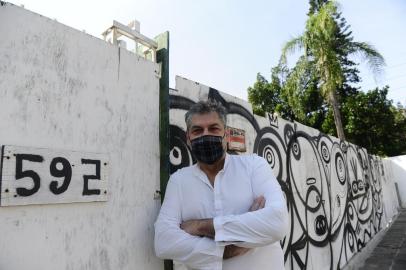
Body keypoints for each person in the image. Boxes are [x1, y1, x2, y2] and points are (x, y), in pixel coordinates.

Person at [154, 100, 289, 270]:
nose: (205, 135)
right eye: (197, 130)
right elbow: (163, 242)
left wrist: (200, 226)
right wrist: (236, 245)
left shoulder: (254, 166)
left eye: (213, 128)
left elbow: (278, 222)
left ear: (225, 134)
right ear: (188, 138)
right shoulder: (179, 181)